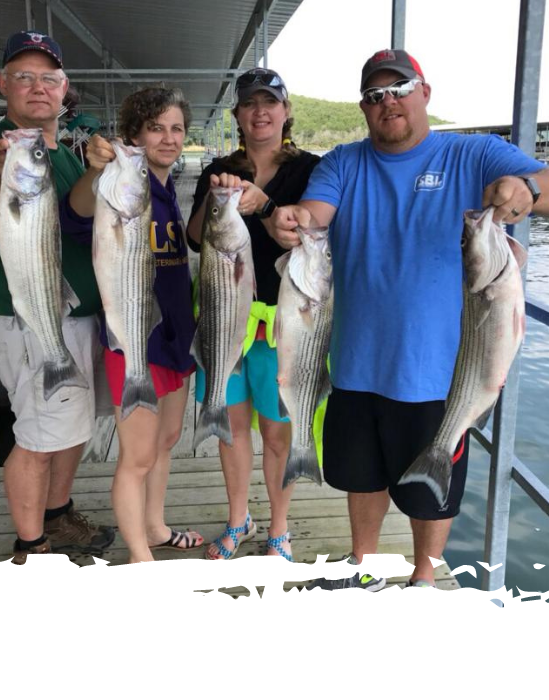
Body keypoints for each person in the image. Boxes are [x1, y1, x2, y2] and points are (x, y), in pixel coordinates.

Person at [269, 50, 549, 588]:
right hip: (353, 364)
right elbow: (315, 216)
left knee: (430, 488)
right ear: (363, 107)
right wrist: (293, 221)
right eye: (374, 94)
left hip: (440, 372)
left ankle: (425, 578)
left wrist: (526, 189)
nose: (387, 101)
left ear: (425, 93)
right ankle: (363, 568)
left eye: (399, 87)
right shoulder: (342, 162)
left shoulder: (474, 152)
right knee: (361, 479)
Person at [0, 30, 116, 564]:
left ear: (64, 88)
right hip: (32, 318)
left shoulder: (61, 152)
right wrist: (0, 173)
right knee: (36, 436)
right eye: (23, 77)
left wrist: (99, 173)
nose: (37, 88)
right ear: (3, 84)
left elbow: (83, 213)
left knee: (73, 425)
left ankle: (57, 514)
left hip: (78, 316)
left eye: (48, 78)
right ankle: (30, 544)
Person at [63, 86, 202, 563]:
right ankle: (140, 558)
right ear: (135, 135)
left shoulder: (163, 190)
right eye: (155, 128)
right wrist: (95, 169)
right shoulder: (115, 188)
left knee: (166, 441)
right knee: (137, 456)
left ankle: (156, 527)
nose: (167, 138)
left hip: (176, 341)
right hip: (132, 342)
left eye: (176, 128)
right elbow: (76, 215)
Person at [187, 68, 320, 561]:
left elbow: (308, 230)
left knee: (277, 432)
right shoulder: (219, 167)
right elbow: (196, 236)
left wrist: (264, 204)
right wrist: (215, 196)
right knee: (231, 425)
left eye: (270, 102)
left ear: (286, 113)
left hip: (285, 320)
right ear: (238, 115)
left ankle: (279, 529)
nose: (260, 111)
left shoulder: (311, 169)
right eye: (250, 104)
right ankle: (238, 517)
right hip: (224, 315)